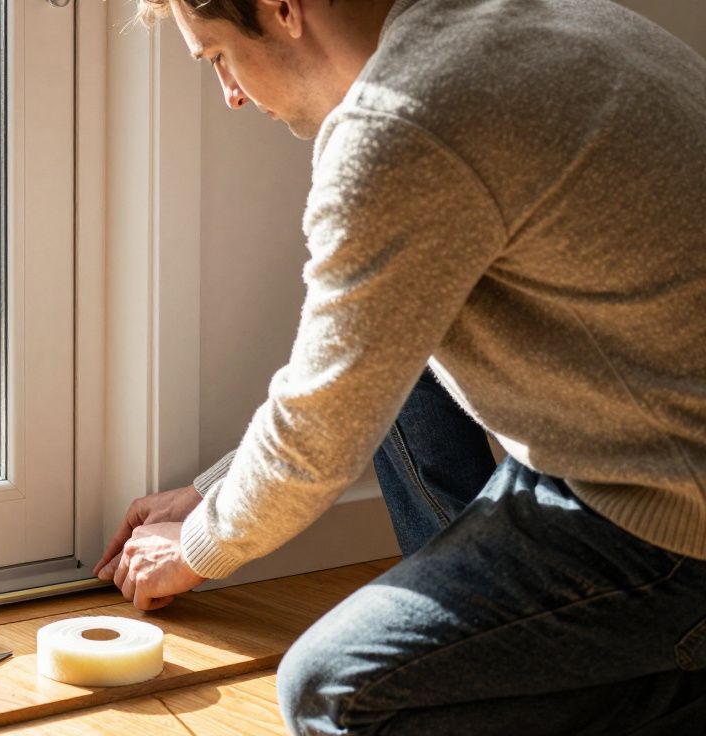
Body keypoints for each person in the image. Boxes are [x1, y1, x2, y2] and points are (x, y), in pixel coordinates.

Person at [92, 0, 706, 732]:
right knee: (394, 335)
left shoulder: (400, 126)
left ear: (283, 8)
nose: (228, 92)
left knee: (334, 692)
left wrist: (199, 548)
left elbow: (319, 433)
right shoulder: (529, 21)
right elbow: (355, 367)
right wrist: (214, 493)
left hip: (670, 523)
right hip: (637, 437)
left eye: (218, 56)